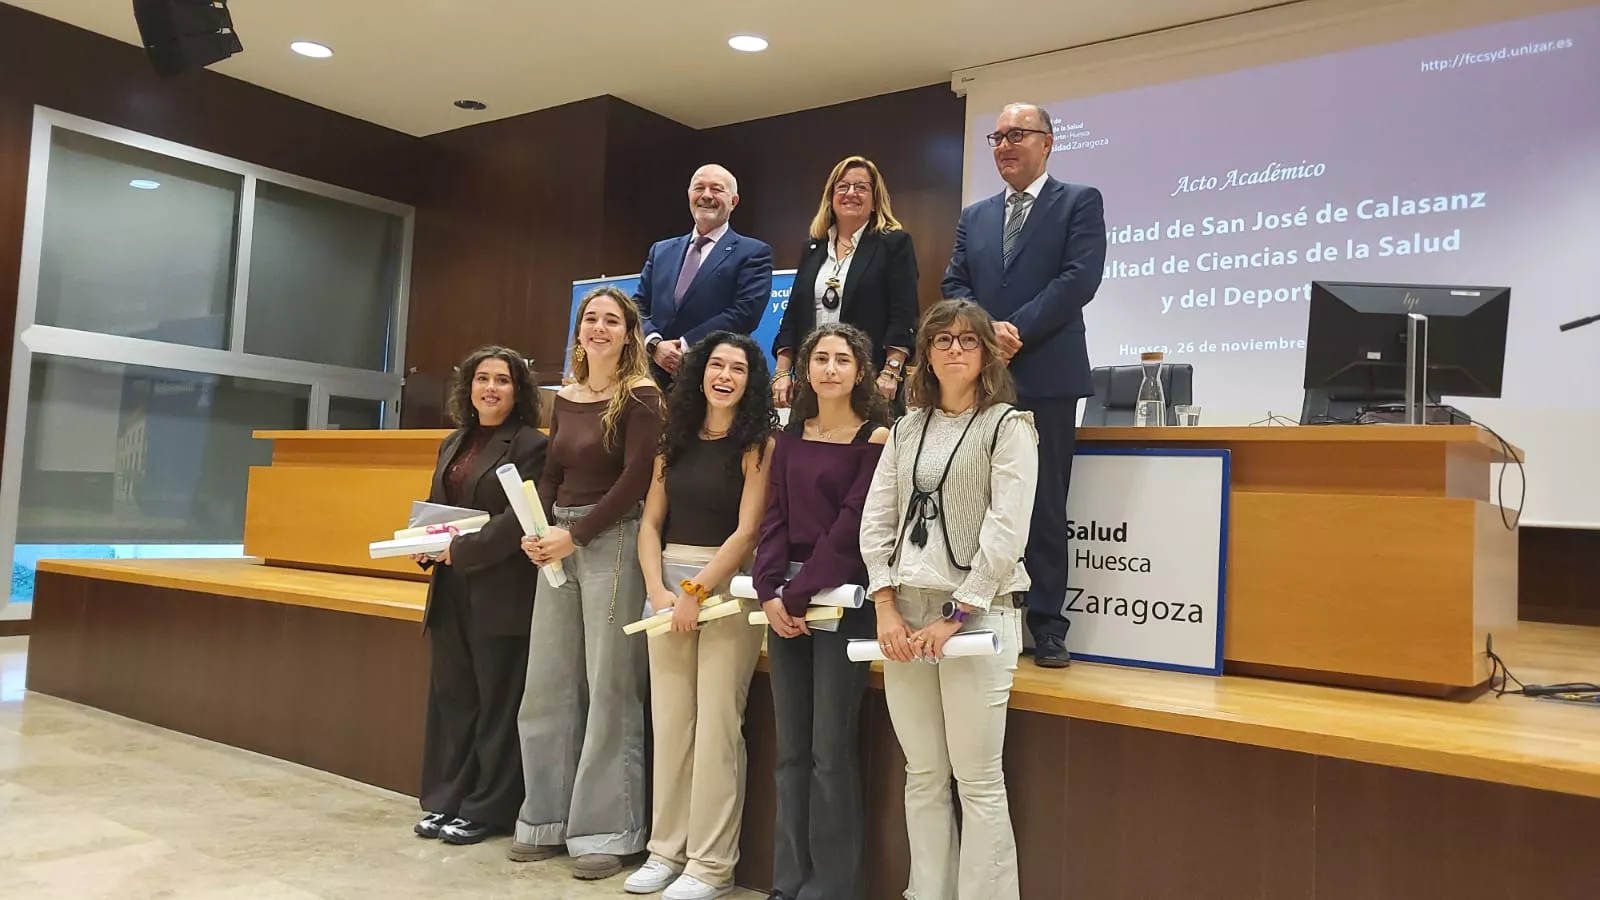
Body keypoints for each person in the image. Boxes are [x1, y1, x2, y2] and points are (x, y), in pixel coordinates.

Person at [860, 300, 1036, 900]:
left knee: (978, 780)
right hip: (905, 613)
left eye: (968, 340)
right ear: (926, 355)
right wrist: (885, 606)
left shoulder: (1009, 426)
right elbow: (876, 521)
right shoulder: (907, 427)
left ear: (987, 353)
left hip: (980, 613)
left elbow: (1007, 531)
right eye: (942, 340)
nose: (955, 349)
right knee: (924, 774)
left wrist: (958, 614)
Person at [941, 101, 1107, 668]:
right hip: (980, 378)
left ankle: (1048, 627)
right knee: (976, 497)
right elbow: (954, 282)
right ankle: (980, 610)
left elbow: (1079, 278)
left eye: (1018, 134)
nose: (1005, 145)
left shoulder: (1078, 201)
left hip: (1048, 374)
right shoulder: (976, 215)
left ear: (1047, 143)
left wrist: (1016, 330)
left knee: (1044, 504)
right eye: (997, 137)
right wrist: (986, 331)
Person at [510, 286, 663, 881]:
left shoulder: (642, 395)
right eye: (590, 319)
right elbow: (551, 472)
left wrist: (576, 536)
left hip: (612, 539)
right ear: (579, 331)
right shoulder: (566, 397)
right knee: (547, 683)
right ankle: (544, 819)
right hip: (559, 541)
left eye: (611, 321)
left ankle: (607, 830)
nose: (599, 328)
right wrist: (540, 530)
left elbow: (635, 478)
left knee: (610, 686)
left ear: (629, 334)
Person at [627, 331, 777, 900]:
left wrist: (697, 590)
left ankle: (711, 865)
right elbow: (650, 524)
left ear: (750, 381)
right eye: (717, 365)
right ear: (699, 372)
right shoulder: (674, 439)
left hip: (727, 589)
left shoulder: (758, 445)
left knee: (717, 726)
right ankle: (665, 850)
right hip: (667, 586)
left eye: (738, 368)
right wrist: (658, 589)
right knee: (670, 723)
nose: (725, 376)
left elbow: (748, 532)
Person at [753, 322, 890, 900]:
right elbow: (775, 517)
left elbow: (852, 529)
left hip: (841, 601)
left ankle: (831, 887)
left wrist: (797, 593)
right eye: (820, 359)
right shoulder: (788, 437)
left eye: (842, 359)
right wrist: (768, 590)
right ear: (805, 370)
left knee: (829, 752)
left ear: (860, 372)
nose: (830, 368)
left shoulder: (875, 438)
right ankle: (788, 881)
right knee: (790, 753)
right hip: (785, 603)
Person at [412, 346, 548, 846]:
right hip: (451, 587)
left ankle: (487, 808)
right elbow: (438, 507)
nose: (491, 388)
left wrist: (461, 550)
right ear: (468, 387)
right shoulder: (453, 441)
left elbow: (519, 520)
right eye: (482, 378)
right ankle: (448, 798)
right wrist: (423, 545)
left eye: (502, 380)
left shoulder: (532, 445)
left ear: (518, 391)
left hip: (501, 589)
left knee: (497, 704)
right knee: (455, 699)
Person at [772, 155, 918, 412]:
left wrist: (892, 370)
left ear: (875, 199)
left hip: (870, 381)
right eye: (843, 186)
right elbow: (792, 315)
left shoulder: (893, 244)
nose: (851, 193)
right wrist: (782, 371)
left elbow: (904, 314)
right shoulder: (813, 248)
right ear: (831, 196)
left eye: (861, 187)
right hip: (813, 382)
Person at [635, 164, 775, 389]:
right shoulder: (661, 250)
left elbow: (745, 312)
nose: (706, 195)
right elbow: (637, 306)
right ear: (689, 195)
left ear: (734, 201)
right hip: (653, 378)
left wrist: (686, 345)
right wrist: (655, 344)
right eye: (699, 188)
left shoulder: (753, 253)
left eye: (717, 189)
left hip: (712, 378)